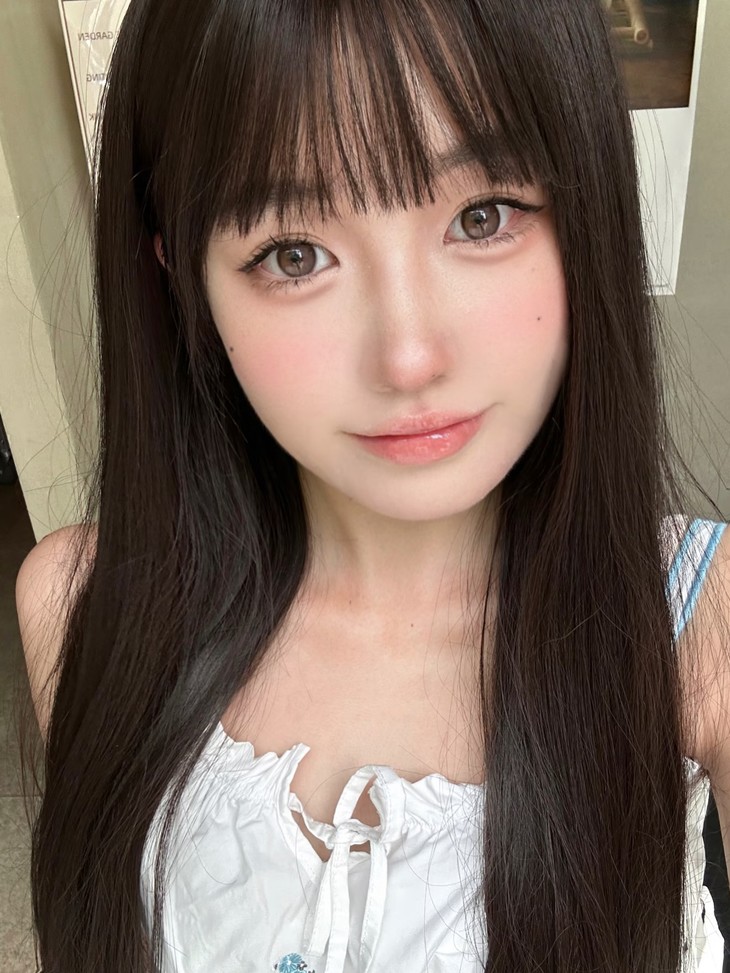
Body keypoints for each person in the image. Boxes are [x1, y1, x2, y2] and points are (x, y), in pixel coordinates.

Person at [13, 0, 730, 971]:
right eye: (294, 255)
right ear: (180, 279)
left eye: (482, 216)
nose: (408, 356)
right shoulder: (82, 605)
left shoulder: (701, 624)